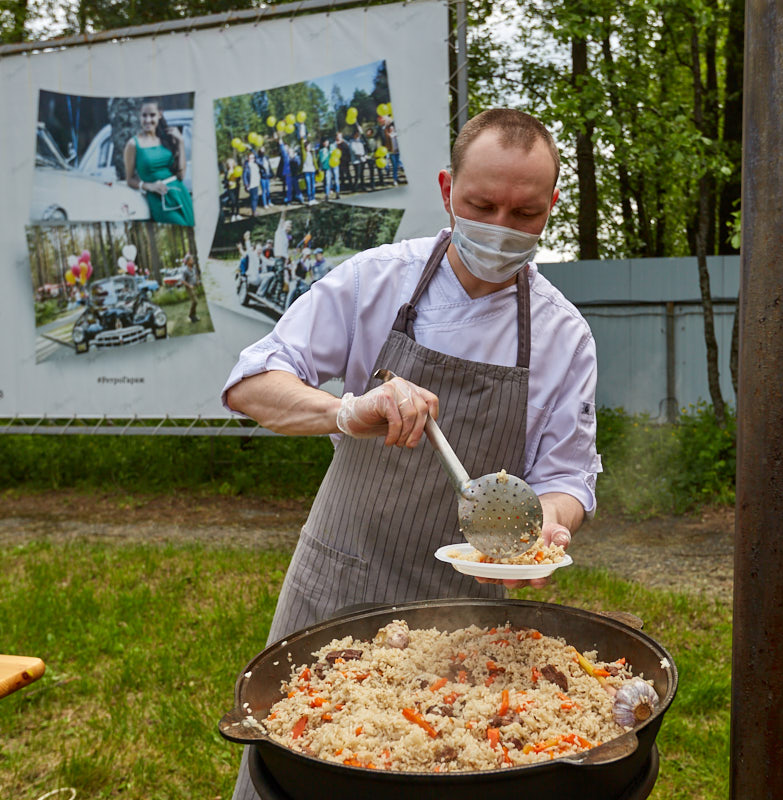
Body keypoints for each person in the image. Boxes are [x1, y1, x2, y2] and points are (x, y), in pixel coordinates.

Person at [222, 109, 599, 799]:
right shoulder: (376, 281)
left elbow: (567, 474)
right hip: (337, 582)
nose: (502, 228)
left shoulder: (562, 335)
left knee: (440, 772)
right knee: (296, 768)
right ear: (447, 189)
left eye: (525, 213)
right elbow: (251, 384)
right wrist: (344, 410)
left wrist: (549, 525)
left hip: (468, 607)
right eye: (482, 205)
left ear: (551, 208)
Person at [123, 100, 194, 227]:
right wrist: (148, 186)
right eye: (144, 115)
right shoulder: (133, 144)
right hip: (159, 199)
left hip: (180, 194)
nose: (148, 120)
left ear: (159, 115)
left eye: (152, 115)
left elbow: (181, 175)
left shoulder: (167, 139)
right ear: (139, 116)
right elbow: (129, 180)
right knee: (180, 228)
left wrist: (181, 143)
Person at [180, 253, 200, 323]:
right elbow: (182, 281)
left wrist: (197, 281)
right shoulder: (185, 270)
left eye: (192, 259)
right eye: (191, 260)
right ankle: (191, 315)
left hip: (194, 286)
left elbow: (196, 275)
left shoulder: (193, 268)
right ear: (188, 261)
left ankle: (193, 316)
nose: (193, 261)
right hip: (189, 288)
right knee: (195, 301)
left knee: (195, 302)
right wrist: (189, 286)